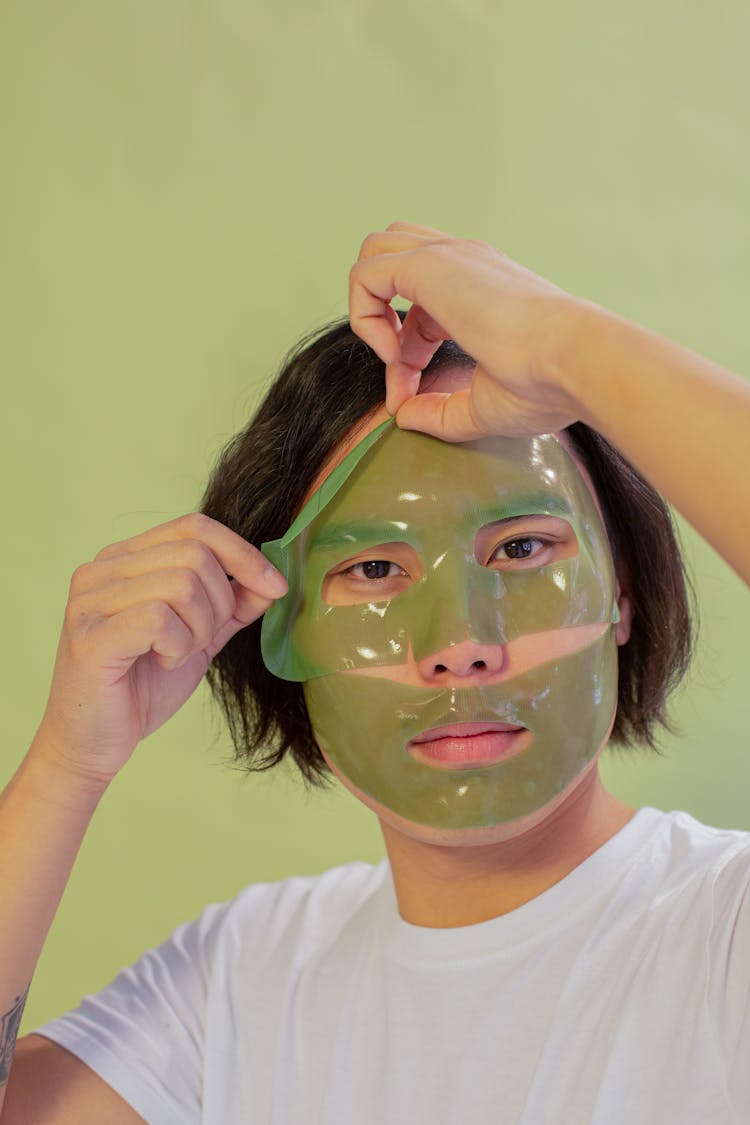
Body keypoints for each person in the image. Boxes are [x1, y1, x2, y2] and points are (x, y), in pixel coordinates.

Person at [1, 221, 749, 1123]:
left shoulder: (722, 932)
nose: (458, 644)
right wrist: (63, 768)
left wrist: (564, 346)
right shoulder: (241, 979)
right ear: (275, 625)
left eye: (521, 547)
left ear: (622, 593)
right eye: (375, 570)